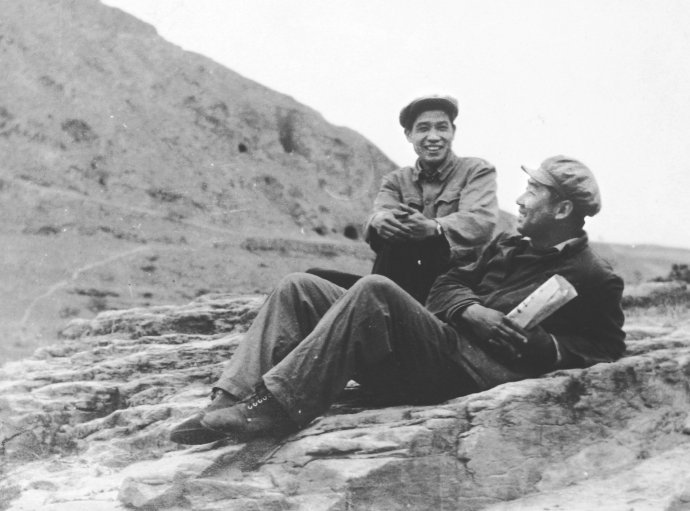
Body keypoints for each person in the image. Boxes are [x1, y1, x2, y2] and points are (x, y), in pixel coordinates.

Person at [170, 155, 625, 445]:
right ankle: (226, 400)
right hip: (438, 347)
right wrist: (471, 310)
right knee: (299, 285)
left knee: (375, 290)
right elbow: (446, 284)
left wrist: (549, 349)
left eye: (533, 192)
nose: (521, 200)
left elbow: (607, 348)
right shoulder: (509, 244)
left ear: (562, 209)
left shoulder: (593, 275)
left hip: (467, 374)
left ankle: (277, 408)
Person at [308, 95, 498, 303]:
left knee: (403, 241)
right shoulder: (396, 181)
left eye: (441, 128)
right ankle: (378, 300)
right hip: (403, 282)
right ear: (409, 135)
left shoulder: (476, 171)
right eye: (423, 129)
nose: (433, 137)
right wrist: (379, 221)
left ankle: (377, 304)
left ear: (453, 131)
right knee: (312, 279)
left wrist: (433, 228)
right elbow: (378, 215)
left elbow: (481, 221)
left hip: (454, 285)